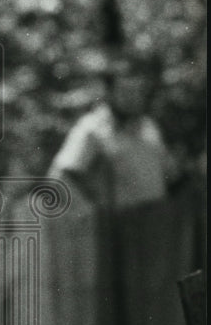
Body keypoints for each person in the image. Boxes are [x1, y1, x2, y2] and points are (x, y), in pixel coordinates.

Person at [48, 52, 174, 210]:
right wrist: (90, 216)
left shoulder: (149, 127)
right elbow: (61, 178)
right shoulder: (92, 128)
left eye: (139, 91)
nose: (134, 98)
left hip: (157, 224)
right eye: (127, 92)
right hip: (113, 228)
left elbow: (170, 176)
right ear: (109, 92)